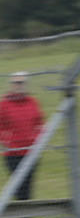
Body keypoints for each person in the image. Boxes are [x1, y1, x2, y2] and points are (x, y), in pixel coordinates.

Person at [1, 73, 46, 201]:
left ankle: (24, 212)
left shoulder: (33, 102)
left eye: (22, 83)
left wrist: (37, 139)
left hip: (31, 152)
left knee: (28, 187)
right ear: (11, 85)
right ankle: (21, 211)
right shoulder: (4, 104)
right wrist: (5, 141)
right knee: (19, 187)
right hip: (13, 153)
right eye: (16, 83)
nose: (19, 86)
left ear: (26, 85)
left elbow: (39, 123)